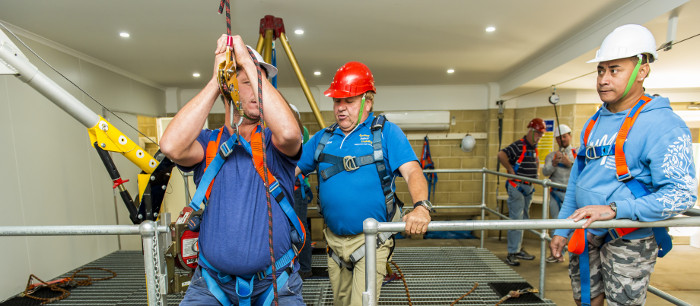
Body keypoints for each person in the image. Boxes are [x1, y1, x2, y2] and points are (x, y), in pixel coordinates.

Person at [549, 24, 697, 306]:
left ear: (642, 71)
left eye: (614, 70)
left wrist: (615, 210)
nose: (603, 79)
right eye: (600, 70)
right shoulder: (595, 121)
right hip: (586, 232)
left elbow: (680, 195)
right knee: (586, 301)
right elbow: (577, 184)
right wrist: (561, 229)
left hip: (629, 238)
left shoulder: (663, 124)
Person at [160, 34, 304, 305]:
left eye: (260, 82)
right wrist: (216, 80)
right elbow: (171, 146)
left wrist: (248, 64)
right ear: (230, 90)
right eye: (248, 83)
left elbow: (288, 134)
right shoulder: (209, 144)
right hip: (212, 285)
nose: (258, 91)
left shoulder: (275, 145)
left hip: (276, 284)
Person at [296, 61, 431, 306]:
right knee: (341, 303)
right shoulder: (323, 139)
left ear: (367, 102)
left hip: (372, 240)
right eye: (337, 101)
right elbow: (288, 171)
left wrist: (421, 206)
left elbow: (413, 172)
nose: (341, 108)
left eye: (349, 101)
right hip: (334, 243)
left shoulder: (386, 134)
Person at [497, 118, 545, 266]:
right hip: (517, 186)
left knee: (523, 219)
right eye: (537, 134)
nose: (538, 137)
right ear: (530, 131)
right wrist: (511, 171)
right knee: (516, 219)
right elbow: (501, 155)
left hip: (528, 188)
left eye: (541, 135)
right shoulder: (519, 145)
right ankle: (512, 252)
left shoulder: (533, 149)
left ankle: (517, 249)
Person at [541, 124, 575, 263]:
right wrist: (554, 163)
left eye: (564, 137)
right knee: (555, 223)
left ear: (570, 136)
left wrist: (570, 163)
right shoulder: (551, 156)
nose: (562, 140)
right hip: (556, 194)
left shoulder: (576, 154)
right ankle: (555, 254)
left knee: (573, 225)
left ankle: (574, 256)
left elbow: (583, 172)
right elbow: (545, 172)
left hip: (571, 195)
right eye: (559, 138)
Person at [289, 104, 314, 280]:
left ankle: (305, 268)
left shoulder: (300, 131)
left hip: (296, 188)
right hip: (288, 187)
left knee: (299, 228)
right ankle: (297, 267)